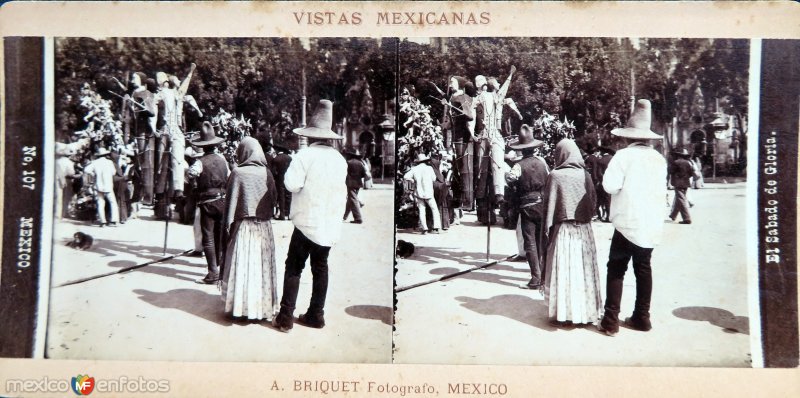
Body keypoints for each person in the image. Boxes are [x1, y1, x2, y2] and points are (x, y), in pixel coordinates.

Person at [274, 100, 347, 333]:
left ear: (311, 134)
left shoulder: (304, 156)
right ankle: (317, 315)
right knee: (321, 268)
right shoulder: (339, 159)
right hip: (328, 225)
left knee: (294, 267)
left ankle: (286, 316)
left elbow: (291, 184)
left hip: (306, 222)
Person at [598, 99, 667, 336]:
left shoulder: (623, 157)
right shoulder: (659, 159)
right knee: (644, 269)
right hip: (650, 225)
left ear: (628, 136)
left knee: (616, 269)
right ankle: (642, 317)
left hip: (626, 223)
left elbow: (609, 186)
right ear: (648, 138)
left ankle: (610, 321)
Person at [541, 139, 601, 325]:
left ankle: (563, 313)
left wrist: (547, 228)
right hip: (584, 230)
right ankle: (585, 312)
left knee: (564, 270)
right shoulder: (585, 175)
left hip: (563, 231)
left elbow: (548, 206)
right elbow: (593, 203)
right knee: (582, 270)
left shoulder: (555, 176)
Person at [221, 137, 278, 321]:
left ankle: (240, 308)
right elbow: (274, 200)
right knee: (260, 267)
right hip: (264, 228)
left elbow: (230, 203)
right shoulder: (267, 173)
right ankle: (259, 309)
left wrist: (228, 226)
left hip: (244, 227)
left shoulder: (237, 173)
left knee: (244, 266)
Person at [505, 125, 549, 289]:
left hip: (527, 205)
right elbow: (549, 178)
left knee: (529, 242)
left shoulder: (518, 165)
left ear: (522, 150)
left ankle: (535, 278)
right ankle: (544, 276)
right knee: (541, 240)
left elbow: (510, 179)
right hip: (542, 203)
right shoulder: (542, 162)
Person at [189, 122, 229, 284]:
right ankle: (223, 269)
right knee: (221, 236)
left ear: (203, 146)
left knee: (209, 237)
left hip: (207, 202)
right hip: (222, 200)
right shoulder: (222, 159)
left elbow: (191, 174)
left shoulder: (200, 162)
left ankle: (213, 272)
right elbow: (229, 174)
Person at [404, 153, 442, 234]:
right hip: (428, 192)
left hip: (419, 192)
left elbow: (405, 176)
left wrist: (413, 180)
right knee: (434, 209)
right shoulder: (429, 168)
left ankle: (424, 229)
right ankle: (437, 227)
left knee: (422, 210)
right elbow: (434, 179)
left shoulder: (414, 169)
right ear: (425, 161)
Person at [84, 148, 119, 227]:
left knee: (100, 203)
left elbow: (86, 170)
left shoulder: (95, 162)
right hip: (108, 185)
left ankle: (103, 221)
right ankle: (114, 220)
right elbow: (113, 173)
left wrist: (93, 174)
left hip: (99, 185)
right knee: (113, 202)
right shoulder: (109, 162)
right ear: (105, 155)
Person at [55, 145, 80, 219]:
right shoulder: (69, 162)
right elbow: (71, 173)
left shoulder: (56, 161)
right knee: (64, 198)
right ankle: (61, 214)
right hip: (65, 180)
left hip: (55, 179)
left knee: (57, 197)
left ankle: (56, 213)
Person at [669, 148, 693, 224]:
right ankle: (673, 215)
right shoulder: (688, 163)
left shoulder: (675, 162)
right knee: (679, 199)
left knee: (681, 200)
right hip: (686, 183)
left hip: (677, 183)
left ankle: (687, 218)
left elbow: (670, 171)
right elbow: (691, 173)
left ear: (678, 155)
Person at [343, 148, 367, 224]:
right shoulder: (360, 163)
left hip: (350, 183)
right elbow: (364, 174)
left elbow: (343, 173)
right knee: (351, 199)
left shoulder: (348, 163)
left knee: (353, 199)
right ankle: (344, 216)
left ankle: (358, 218)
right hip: (358, 183)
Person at [271, 145, 293, 220]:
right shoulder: (289, 158)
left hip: (280, 180)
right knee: (289, 196)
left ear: (277, 150)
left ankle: (282, 215)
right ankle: (289, 214)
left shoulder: (276, 159)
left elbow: (274, 172)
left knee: (281, 197)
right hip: (289, 178)